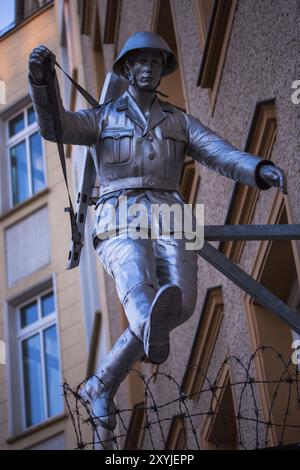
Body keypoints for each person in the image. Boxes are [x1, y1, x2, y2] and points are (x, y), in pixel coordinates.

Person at [28, 31, 287, 430]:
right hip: (119, 213)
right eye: (141, 62)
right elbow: (56, 127)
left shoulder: (178, 120)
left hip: (173, 213)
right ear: (128, 68)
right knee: (140, 291)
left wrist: (258, 169)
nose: (148, 68)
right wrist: (43, 84)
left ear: (161, 70)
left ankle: (102, 384)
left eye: (155, 62)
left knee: (181, 305)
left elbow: (218, 151)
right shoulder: (103, 117)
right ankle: (109, 376)